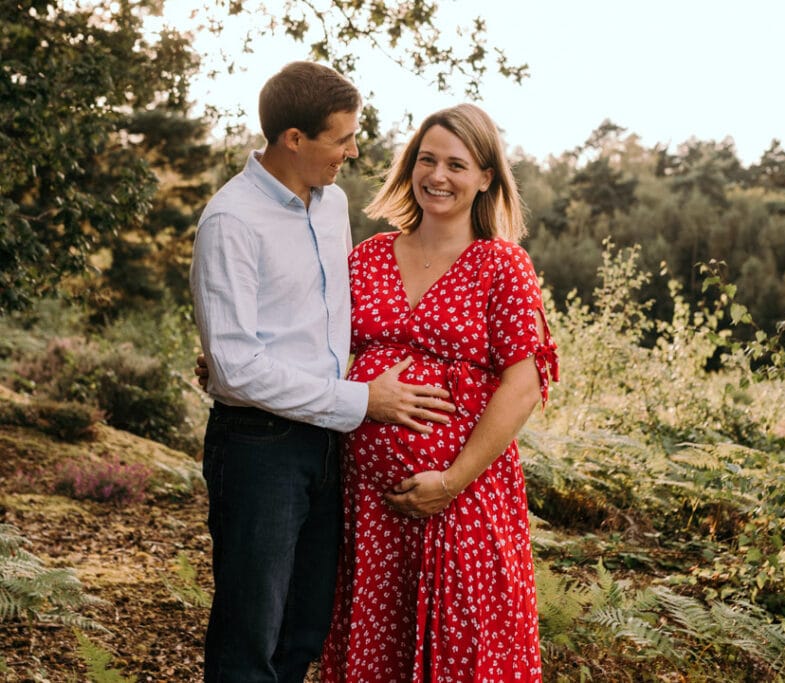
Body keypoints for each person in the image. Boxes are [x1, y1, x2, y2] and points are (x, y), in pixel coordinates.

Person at [189, 61, 454, 683]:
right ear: (294, 139)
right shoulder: (231, 222)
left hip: (328, 444)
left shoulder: (332, 205)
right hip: (260, 446)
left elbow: (327, 321)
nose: (353, 151)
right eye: (342, 138)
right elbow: (235, 368)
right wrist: (362, 400)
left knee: (305, 626)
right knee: (249, 633)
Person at [318, 103, 558, 682]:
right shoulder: (368, 258)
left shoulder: (502, 266)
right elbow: (313, 339)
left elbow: (523, 388)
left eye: (456, 163)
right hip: (370, 503)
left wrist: (450, 482)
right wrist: (234, 356)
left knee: (465, 648)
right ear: (410, 166)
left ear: (485, 178)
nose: (438, 176)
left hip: (464, 497)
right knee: (378, 646)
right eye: (427, 159)